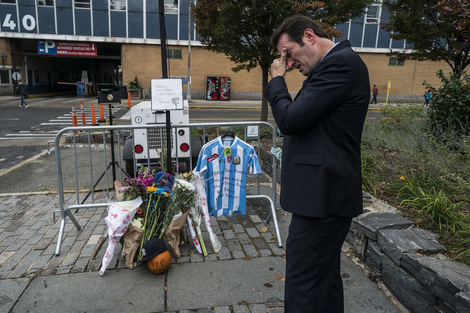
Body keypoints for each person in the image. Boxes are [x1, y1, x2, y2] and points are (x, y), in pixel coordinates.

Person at [265, 15, 370, 313]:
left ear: (309, 36)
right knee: (323, 280)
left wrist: (276, 81)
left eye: (289, 54)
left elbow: (290, 120)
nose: (289, 63)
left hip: (322, 196)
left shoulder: (341, 64)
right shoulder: (330, 68)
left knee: (304, 285)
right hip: (323, 196)